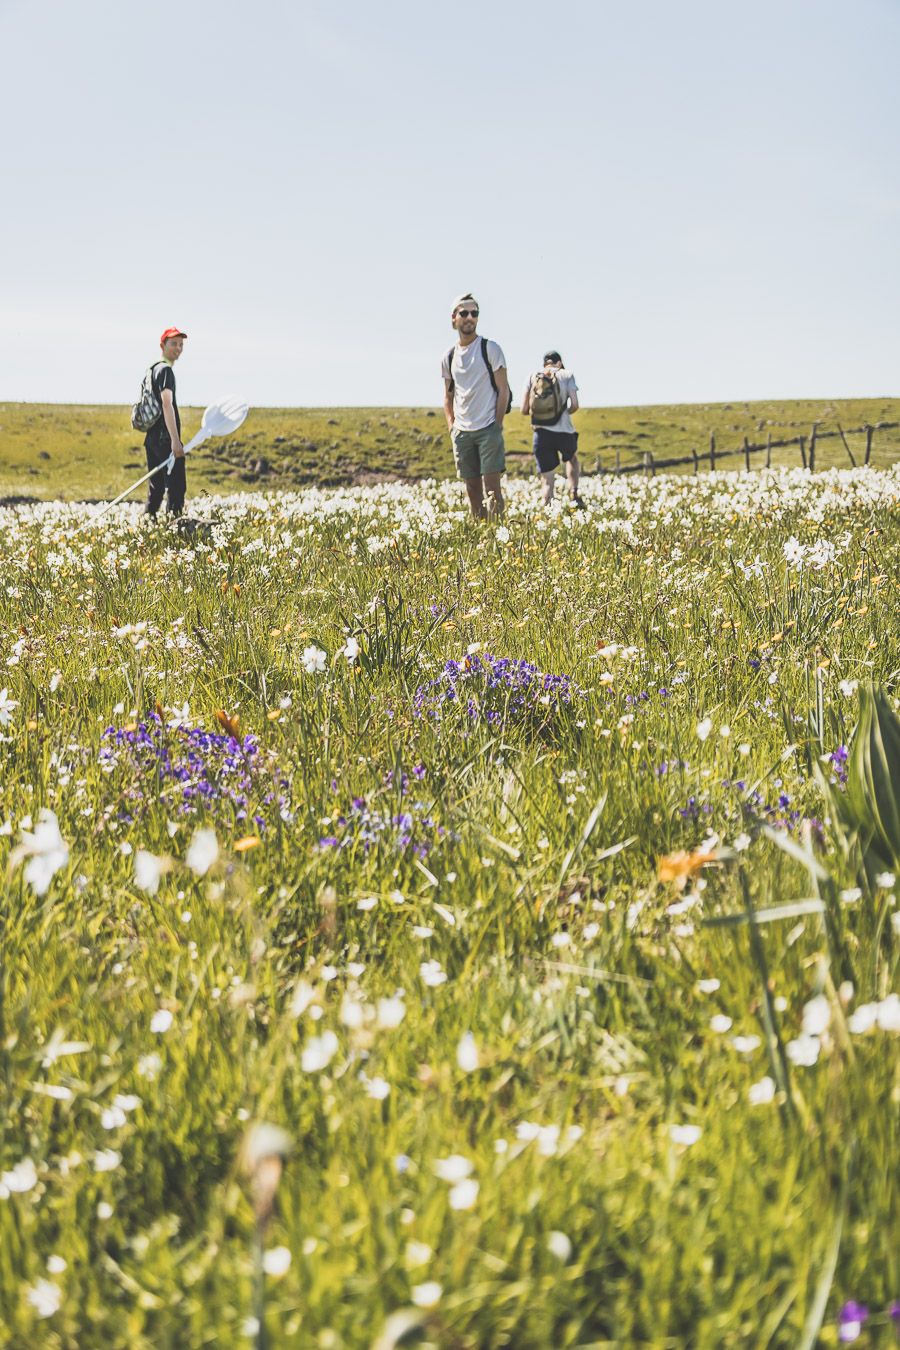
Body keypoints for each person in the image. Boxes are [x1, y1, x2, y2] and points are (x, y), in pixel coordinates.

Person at [441, 294, 510, 519]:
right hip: (462, 431)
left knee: (492, 487)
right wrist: (452, 426)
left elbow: (503, 390)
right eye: (464, 313)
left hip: (488, 427)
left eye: (474, 313)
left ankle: (498, 531)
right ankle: (481, 532)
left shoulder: (491, 349)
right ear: (454, 318)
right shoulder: (449, 357)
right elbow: (448, 396)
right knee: (471, 489)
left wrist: (497, 424)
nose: (470, 317)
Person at [521, 351, 583, 508]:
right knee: (572, 459)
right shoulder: (566, 374)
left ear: (544, 364)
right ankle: (574, 494)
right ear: (559, 363)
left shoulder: (533, 376)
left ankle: (548, 506)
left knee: (547, 478)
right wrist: (562, 414)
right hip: (565, 431)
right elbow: (575, 405)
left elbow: (524, 409)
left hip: (541, 433)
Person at [145, 326, 187, 517]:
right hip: (165, 438)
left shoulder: (152, 370)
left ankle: (149, 522)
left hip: (152, 437)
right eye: (173, 344)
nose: (178, 348)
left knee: (157, 486)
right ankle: (176, 528)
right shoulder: (165, 371)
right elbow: (167, 404)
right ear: (162, 345)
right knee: (176, 484)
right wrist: (175, 440)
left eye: (180, 344)